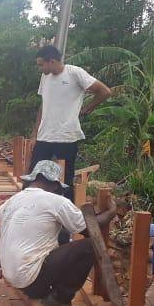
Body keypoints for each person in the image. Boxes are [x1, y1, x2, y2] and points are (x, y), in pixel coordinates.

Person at [0, 160, 117, 306]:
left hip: (13, 278)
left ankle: (48, 287)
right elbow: (89, 229)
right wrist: (110, 213)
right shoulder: (57, 202)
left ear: (34, 179)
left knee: (61, 234)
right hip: (33, 282)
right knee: (89, 246)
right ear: (55, 185)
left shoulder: (11, 201)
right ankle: (60, 300)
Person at [31, 44, 112, 198]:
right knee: (34, 174)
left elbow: (105, 91)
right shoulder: (45, 77)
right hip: (45, 135)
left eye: (41, 64)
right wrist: (35, 133)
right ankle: (29, 209)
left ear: (52, 61)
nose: (40, 68)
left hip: (66, 136)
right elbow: (44, 104)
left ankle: (67, 216)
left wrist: (88, 108)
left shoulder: (75, 73)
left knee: (65, 180)